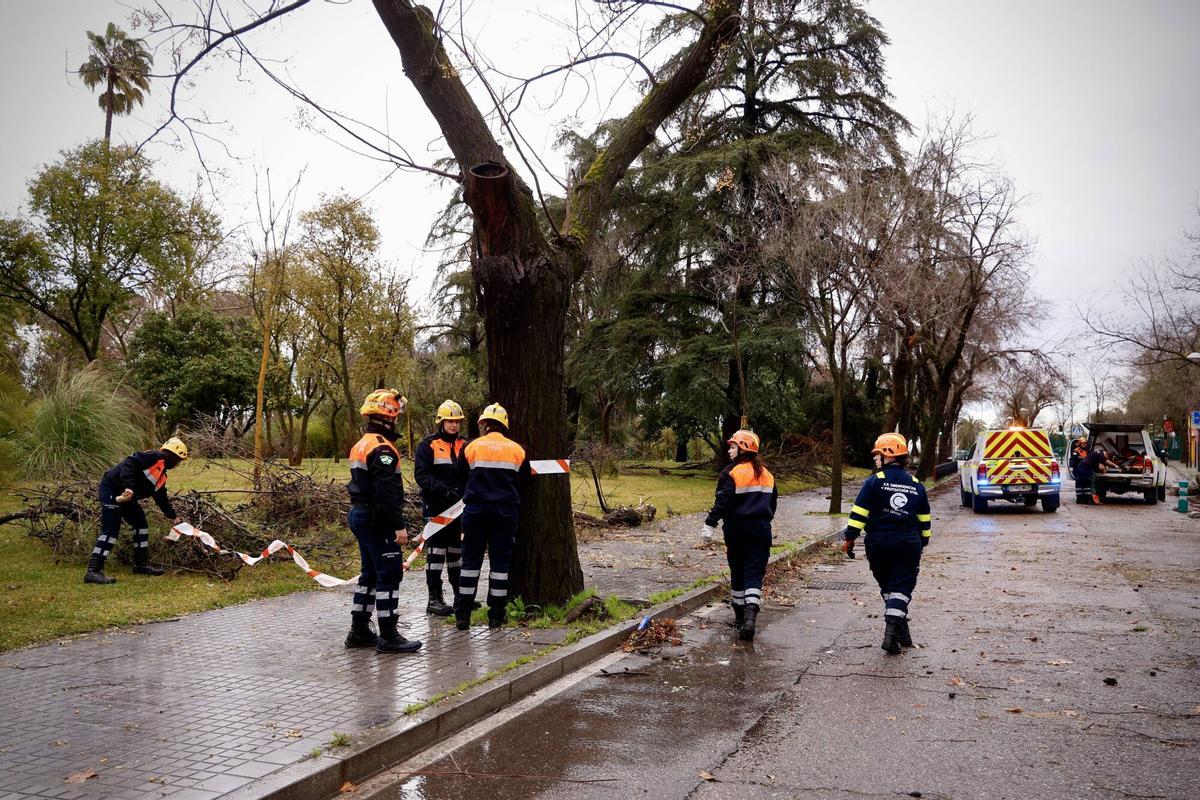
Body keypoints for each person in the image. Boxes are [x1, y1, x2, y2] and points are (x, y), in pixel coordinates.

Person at [345, 389, 422, 654]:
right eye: (396, 416)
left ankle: (359, 630)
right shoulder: (382, 448)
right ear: (389, 417)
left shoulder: (362, 443)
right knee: (389, 573)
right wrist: (398, 525)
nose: (397, 420)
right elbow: (386, 492)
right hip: (377, 519)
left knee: (369, 574)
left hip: (360, 514)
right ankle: (389, 635)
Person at [841, 433, 931, 655]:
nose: (875, 458)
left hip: (878, 543)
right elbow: (924, 520)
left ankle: (897, 633)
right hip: (907, 543)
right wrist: (922, 542)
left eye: (878, 454)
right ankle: (894, 633)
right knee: (900, 588)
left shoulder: (874, 482)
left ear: (888, 456)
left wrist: (850, 538)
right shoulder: (916, 485)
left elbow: (858, 514)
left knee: (889, 587)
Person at [454, 403, 528, 630]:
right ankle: (496, 616)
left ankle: (462, 616)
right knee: (500, 566)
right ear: (505, 425)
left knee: (469, 564)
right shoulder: (517, 450)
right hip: (505, 514)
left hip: (475, 512)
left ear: (484, 424)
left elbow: (460, 479)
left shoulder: (470, 447)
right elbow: (524, 483)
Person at [700, 429, 777, 642]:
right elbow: (772, 505)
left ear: (743, 449)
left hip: (736, 531)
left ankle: (740, 618)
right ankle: (751, 618)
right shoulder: (767, 474)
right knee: (754, 574)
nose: (729, 450)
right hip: (761, 530)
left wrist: (710, 523)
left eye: (733, 447)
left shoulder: (731, 473)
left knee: (738, 572)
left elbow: (722, 502)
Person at [84, 437, 189, 585]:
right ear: (172, 455)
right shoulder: (154, 457)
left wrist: (172, 516)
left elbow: (160, 496)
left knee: (140, 524)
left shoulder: (162, 475)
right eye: (178, 460)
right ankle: (93, 571)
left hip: (127, 497)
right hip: (111, 489)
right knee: (111, 529)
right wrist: (129, 486)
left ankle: (140, 565)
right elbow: (130, 462)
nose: (177, 464)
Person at [413, 400, 467, 617]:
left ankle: (460, 597)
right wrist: (443, 490)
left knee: (456, 552)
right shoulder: (428, 445)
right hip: (436, 506)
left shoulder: (465, 445)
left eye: (457, 422)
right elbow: (422, 475)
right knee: (436, 552)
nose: (454, 425)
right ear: (441, 422)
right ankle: (434, 599)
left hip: (459, 508)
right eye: (450, 421)